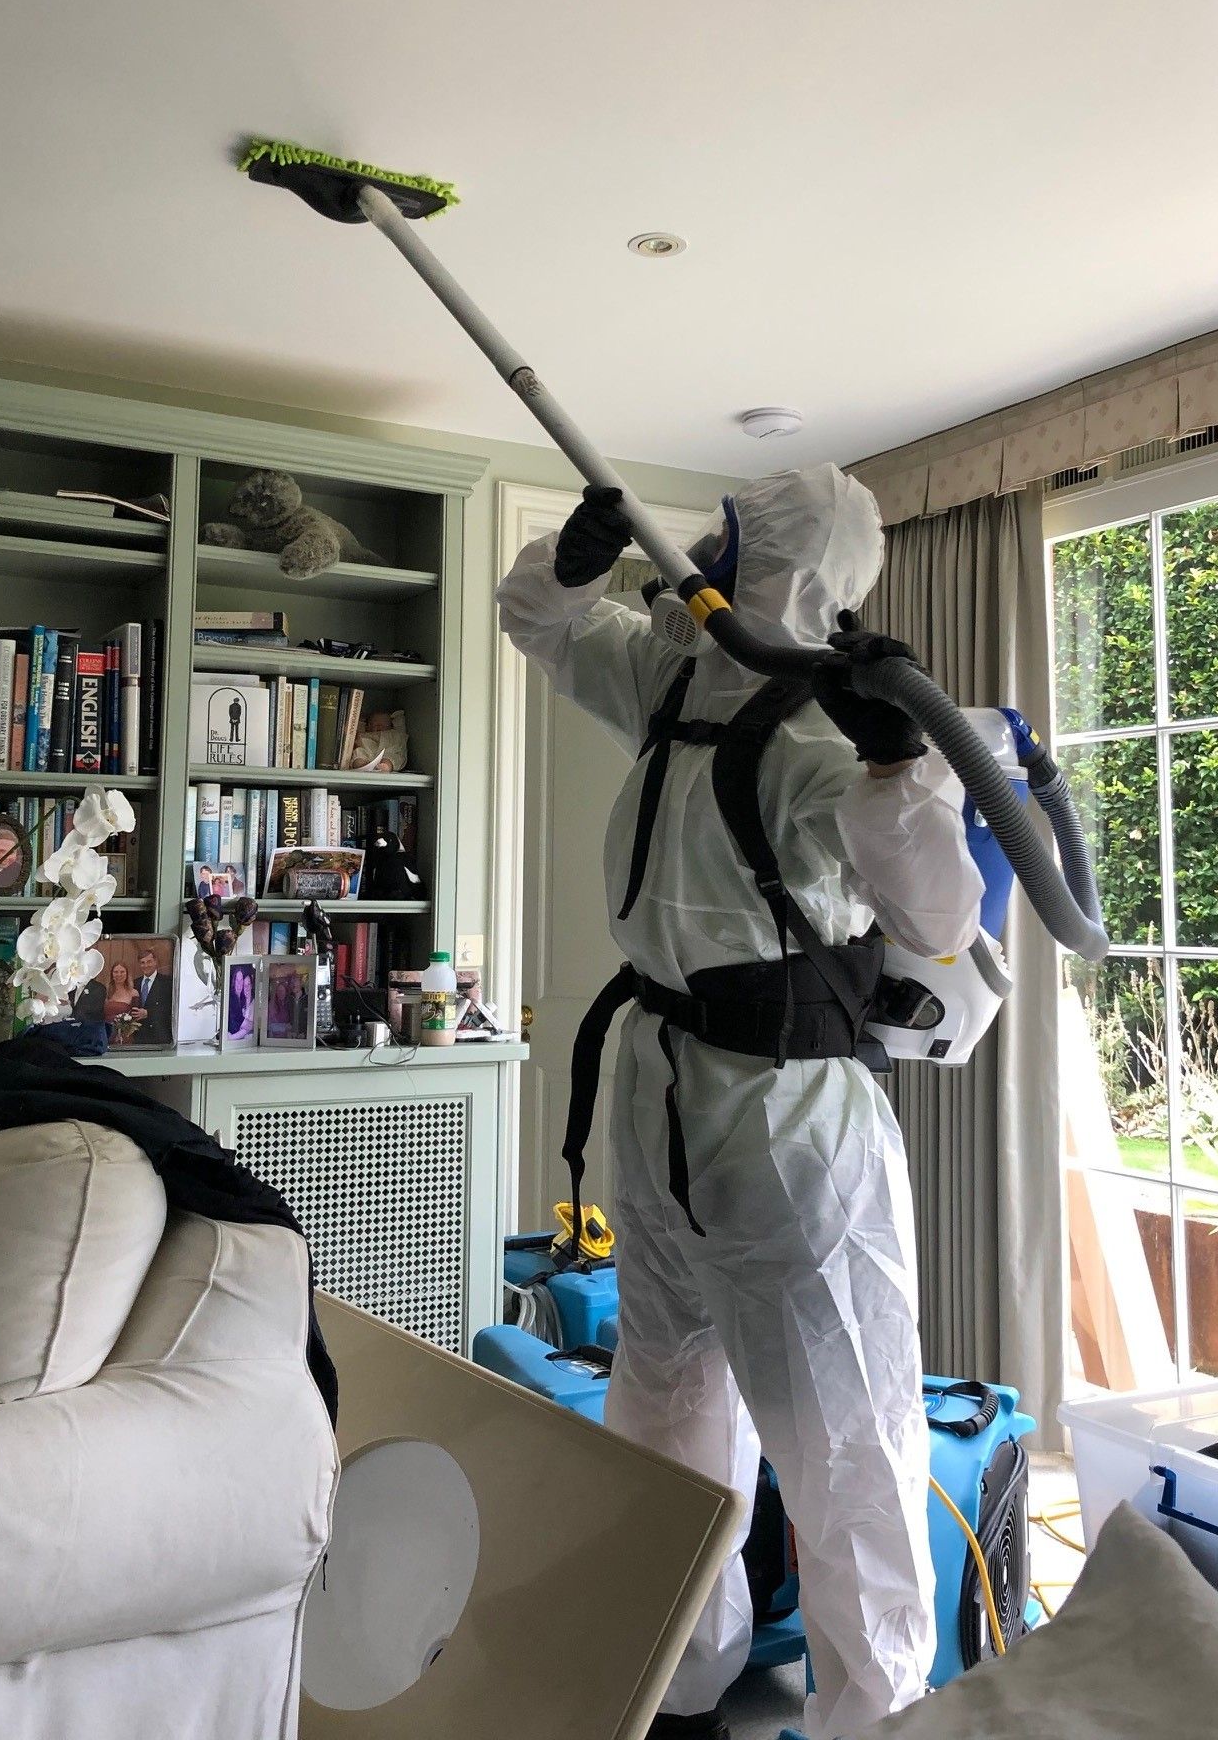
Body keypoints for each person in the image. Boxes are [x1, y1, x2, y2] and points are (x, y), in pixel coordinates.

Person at [496, 465, 984, 1740]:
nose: (703, 551)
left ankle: (876, 1716)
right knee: (664, 1399)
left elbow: (936, 916)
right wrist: (573, 557)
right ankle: (680, 1678)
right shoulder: (675, 681)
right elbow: (542, 624)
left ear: (786, 566)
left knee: (842, 1435)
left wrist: (897, 762)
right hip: (660, 1084)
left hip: (788, 1119)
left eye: (730, 537)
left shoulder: (832, 728)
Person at [127, 947, 173, 1046]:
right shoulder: (135, 983)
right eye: (142, 962)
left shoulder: (167, 982)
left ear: (155, 962)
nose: (146, 965)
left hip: (159, 1035)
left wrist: (149, 1013)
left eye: (149, 961)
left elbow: (171, 1007)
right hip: (138, 1036)